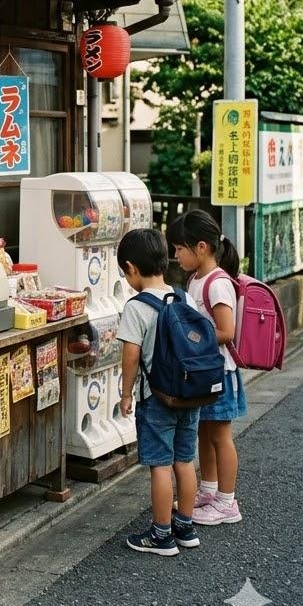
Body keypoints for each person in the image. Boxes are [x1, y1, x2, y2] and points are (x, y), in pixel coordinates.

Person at [116, 227, 201, 556]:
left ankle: (161, 535)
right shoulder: (184, 297)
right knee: (184, 460)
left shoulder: (136, 307)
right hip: (190, 394)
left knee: (161, 466)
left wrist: (126, 394)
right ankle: (186, 526)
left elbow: (131, 357)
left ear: (131, 268)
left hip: (157, 398)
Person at [166, 210, 247, 526]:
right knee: (205, 430)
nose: (176, 255)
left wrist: (189, 335)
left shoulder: (216, 283)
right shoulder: (195, 279)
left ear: (201, 247)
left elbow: (227, 332)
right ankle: (209, 491)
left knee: (221, 435)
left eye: (179, 248)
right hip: (204, 373)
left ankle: (227, 502)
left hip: (220, 373)